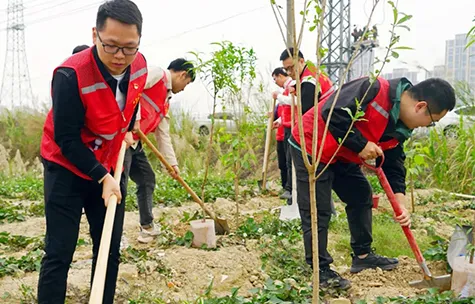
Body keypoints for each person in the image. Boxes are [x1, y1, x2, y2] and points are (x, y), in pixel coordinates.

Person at [289, 76, 456, 289]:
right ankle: (319, 270)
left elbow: (394, 163)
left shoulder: (400, 126)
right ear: (420, 106)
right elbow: (333, 113)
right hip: (312, 144)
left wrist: (400, 203)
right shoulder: (372, 88)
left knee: (360, 195)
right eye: (432, 122)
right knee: (318, 210)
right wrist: (360, 144)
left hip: (342, 153)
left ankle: (363, 255)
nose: (428, 126)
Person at [37, 1, 145, 303]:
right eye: (111, 46)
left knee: (109, 247)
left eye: (129, 47)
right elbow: (67, 138)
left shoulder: (140, 65)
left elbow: (133, 99)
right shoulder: (70, 75)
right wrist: (102, 177)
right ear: (95, 35)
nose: (120, 56)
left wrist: (128, 129)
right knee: (59, 251)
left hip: (110, 162)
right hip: (66, 167)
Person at [122, 58, 195, 243]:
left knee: (147, 179)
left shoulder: (165, 102)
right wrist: (134, 121)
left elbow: (163, 136)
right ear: (182, 74)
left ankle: (147, 227)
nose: (184, 89)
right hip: (122, 139)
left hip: (135, 143)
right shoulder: (157, 74)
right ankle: (113, 235)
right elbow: (133, 87)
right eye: (186, 83)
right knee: (118, 188)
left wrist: (172, 164)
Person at [275, 48, 334, 203]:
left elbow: (307, 111)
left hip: (321, 131)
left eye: (291, 67)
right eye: (286, 69)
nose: (289, 72)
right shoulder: (311, 74)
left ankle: (312, 206)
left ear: (301, 61)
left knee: (311, 171)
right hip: (325, 128)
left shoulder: (309, 80)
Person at [271, 67, 293, 198]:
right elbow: (287, 111)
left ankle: (290, 189)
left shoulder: (292, 85)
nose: (275, 82)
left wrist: (278, 96)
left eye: (275, 79)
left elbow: (293, 103)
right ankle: (288, 187)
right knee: (285, 161)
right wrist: (279, 120)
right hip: (285, 127)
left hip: (291, 128)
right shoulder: (286, 88)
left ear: (280, 76)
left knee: (290, 161)